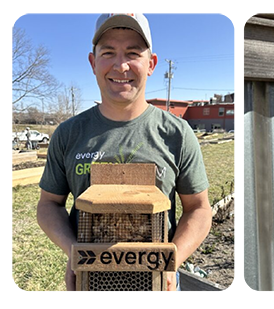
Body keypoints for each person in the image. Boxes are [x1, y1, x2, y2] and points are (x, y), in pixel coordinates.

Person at [36, 13, 212, 309]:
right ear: (93, 62)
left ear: (152, 64)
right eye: (108, 53)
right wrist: (74, 252)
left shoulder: (177, 134)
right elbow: (48, 204)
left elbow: (199, 208)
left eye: (133, 53)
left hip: (158, 284)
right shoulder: (68, 133)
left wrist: (173, 259)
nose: (121, 66)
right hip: (89, 284)